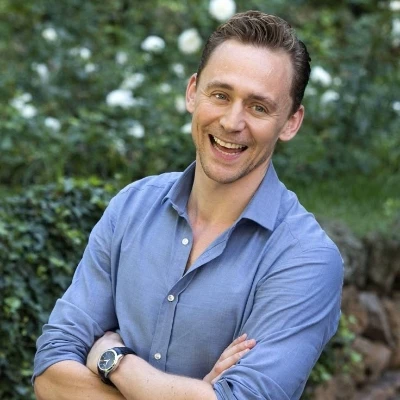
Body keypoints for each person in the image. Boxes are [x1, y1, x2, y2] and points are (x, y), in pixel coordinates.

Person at [33, 10, 343, 400]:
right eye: (221, 95)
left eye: (258, 107)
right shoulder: (131, 207)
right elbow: (50, 370)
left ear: (291, 122)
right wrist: (194, 393)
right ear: (193, 92)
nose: (231, 122)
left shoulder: (305, 259)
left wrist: (115, 361)